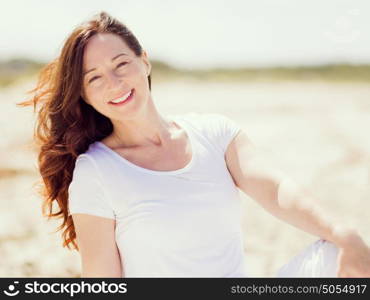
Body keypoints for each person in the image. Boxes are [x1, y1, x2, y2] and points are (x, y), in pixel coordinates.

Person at [18, 11, 370, 278]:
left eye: (121, 64)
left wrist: (344, 233)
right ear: (83, 94)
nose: (114, 83)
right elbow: (104, 281)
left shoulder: (214, 133)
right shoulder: (96, 170)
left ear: (144, 60)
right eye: (94, 78)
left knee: (339, 252)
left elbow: (276, 191)